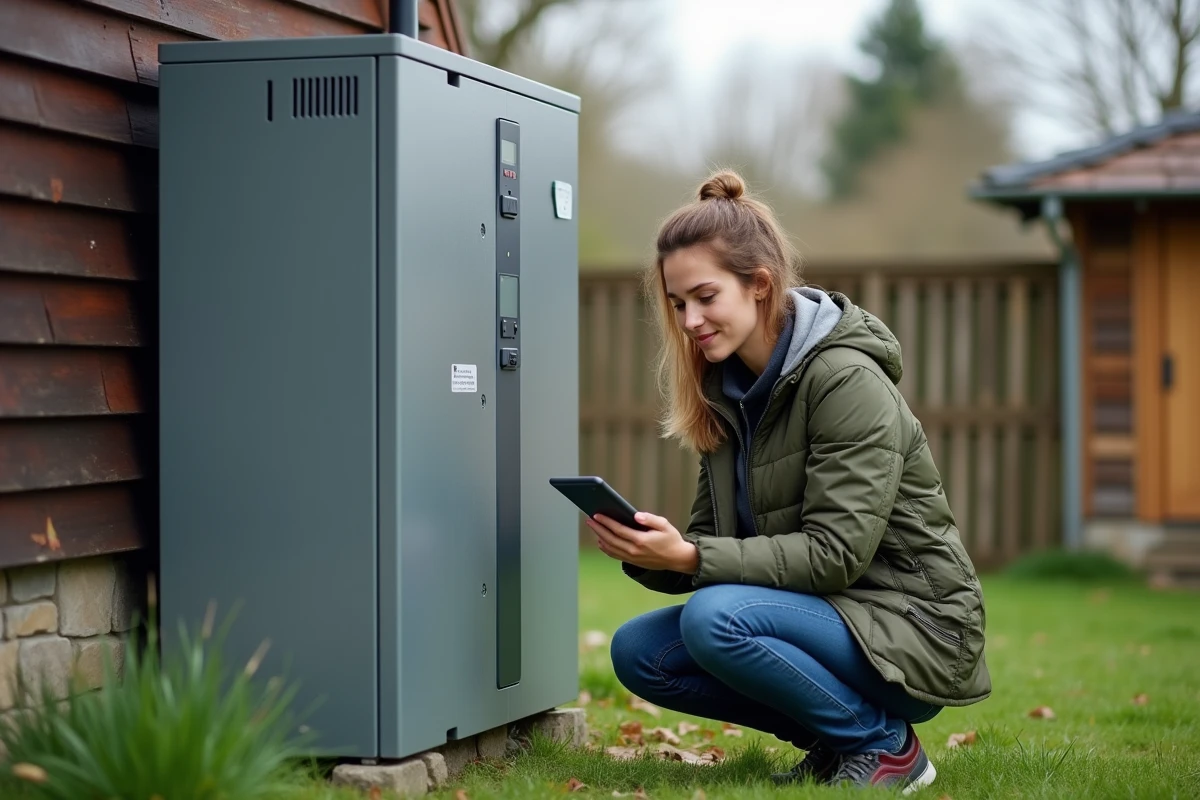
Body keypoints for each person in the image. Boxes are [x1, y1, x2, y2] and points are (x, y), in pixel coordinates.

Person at [585, 170, 990, 792]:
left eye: (705, 296)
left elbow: (835, 554)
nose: (690, 320)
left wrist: (693, 557)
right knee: (640, 652)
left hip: (916, 626)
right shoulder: (727, 395)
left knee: (716, 618)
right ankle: (838, 741)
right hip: (832, 616)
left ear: (760, 286)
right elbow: (713, 541)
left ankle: (883, 746)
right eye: (677, 304)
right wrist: (652, 552)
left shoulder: (844, 381)